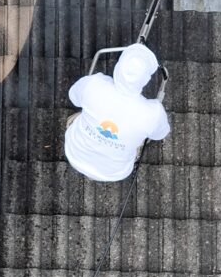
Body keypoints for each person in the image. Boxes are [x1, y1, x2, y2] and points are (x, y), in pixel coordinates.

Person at [64, 43, 171, 182]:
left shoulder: (94, 84)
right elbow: (160, 134)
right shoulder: (153, 113)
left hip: (75, 155)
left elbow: (74, 98)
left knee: (79, 114)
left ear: (118, 68)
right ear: (145, 79)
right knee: (144, 134)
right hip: (114, 173)